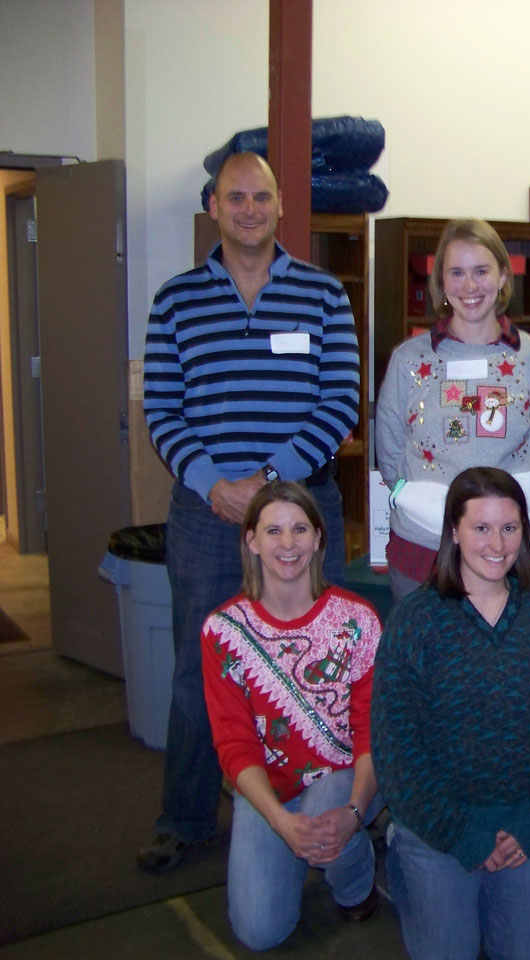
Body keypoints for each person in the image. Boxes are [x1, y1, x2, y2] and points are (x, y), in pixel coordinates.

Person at [139, 152, 359, 872]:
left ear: (280, 204)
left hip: (303, 509)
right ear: (213, 206)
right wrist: (214, 484)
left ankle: (323, 807)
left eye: (260, 196)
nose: (249, 209)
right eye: (235, 197)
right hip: (208, 516)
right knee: (198, 665)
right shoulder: (175, 301)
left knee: (319, 659)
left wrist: (267, 484)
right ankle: (186, 817)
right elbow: (162, 408)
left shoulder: (323, 295)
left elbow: (340, 403)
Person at [372, 467, 530, 960]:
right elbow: (395, 751)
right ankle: (401, 858)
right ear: (454, 532)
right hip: (437, 823)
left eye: (510, 527)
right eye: (481, 527)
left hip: (524, 820)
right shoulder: (415, 621)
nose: (497, 544)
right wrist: (461, 834)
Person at [201, 482, 381, 949]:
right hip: (271, 786)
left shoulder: (358, 620)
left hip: (344, 773)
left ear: (319, 538)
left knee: (328, 821)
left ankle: (356, 882)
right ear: (251, 541)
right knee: (260, 932)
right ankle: (303, 844)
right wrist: (280, 823)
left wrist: (355, 813)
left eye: (300, 529)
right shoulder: (224, 631)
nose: (287, 544)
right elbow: (234, 743)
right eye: (273, 530)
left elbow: (371, 731)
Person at [375, 218, 530, 601]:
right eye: (457, 273)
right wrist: (424, 504)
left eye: (481, 271)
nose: (469, 286)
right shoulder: (408, 360)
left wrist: (511, 514)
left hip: (515, 553)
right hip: (424, 551)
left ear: (502, 276)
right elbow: (390, 452)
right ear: (441, 282)